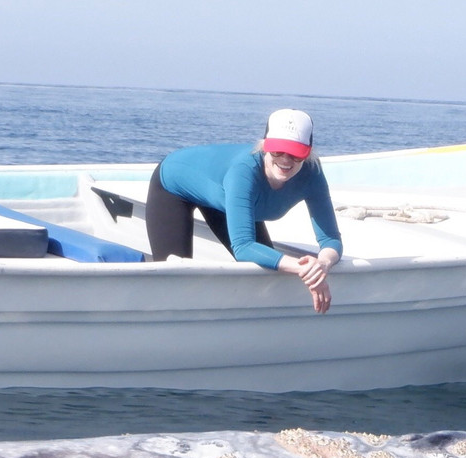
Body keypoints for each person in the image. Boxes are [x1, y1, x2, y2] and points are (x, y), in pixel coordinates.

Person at [146, 109, 342, 314]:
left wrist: (321, 265)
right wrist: (304, 269)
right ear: (264, 146)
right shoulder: (244, 172)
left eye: (295, 153)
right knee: (175, 280)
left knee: (269, 272)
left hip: (222, 196)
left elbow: (331, 239)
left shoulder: (312, 173)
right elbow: (243, 247)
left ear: (308, 153)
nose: (285, 160)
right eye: (277, 151)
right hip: (173, 183)